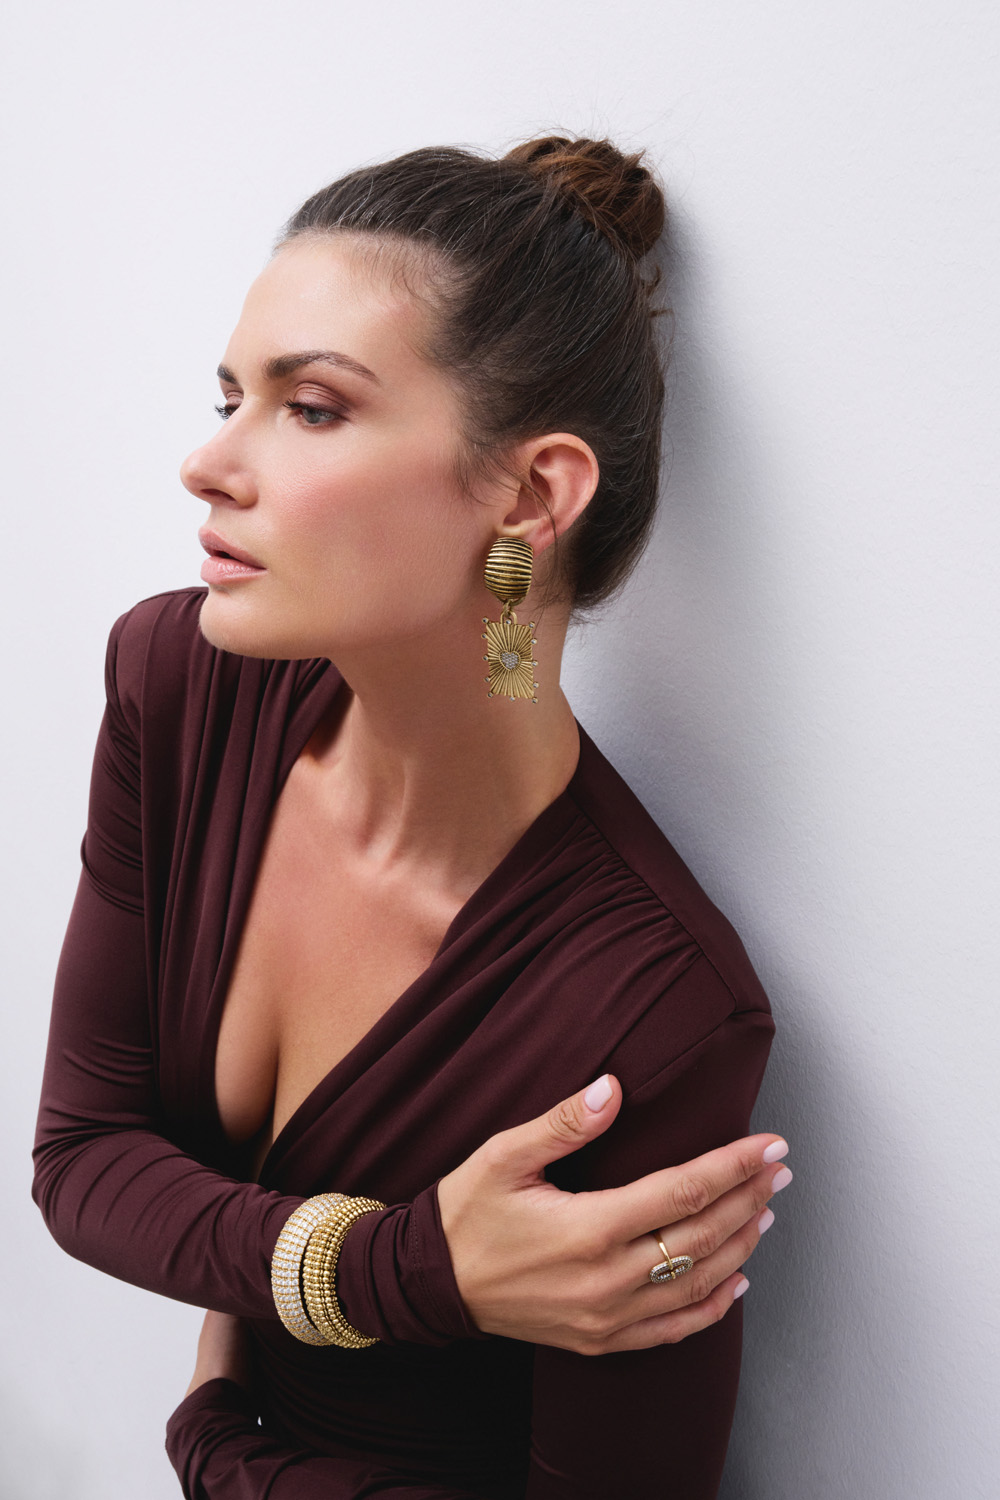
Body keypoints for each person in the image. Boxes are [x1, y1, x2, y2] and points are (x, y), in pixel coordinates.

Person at [32, 135, 788, 1499]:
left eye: (312, 408)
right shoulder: (176, 689)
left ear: (531, 495)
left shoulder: (655, 1014)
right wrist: (402, 1270)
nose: (209, 462)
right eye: (230, 398)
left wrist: (217, 1443)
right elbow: (82, 1161)